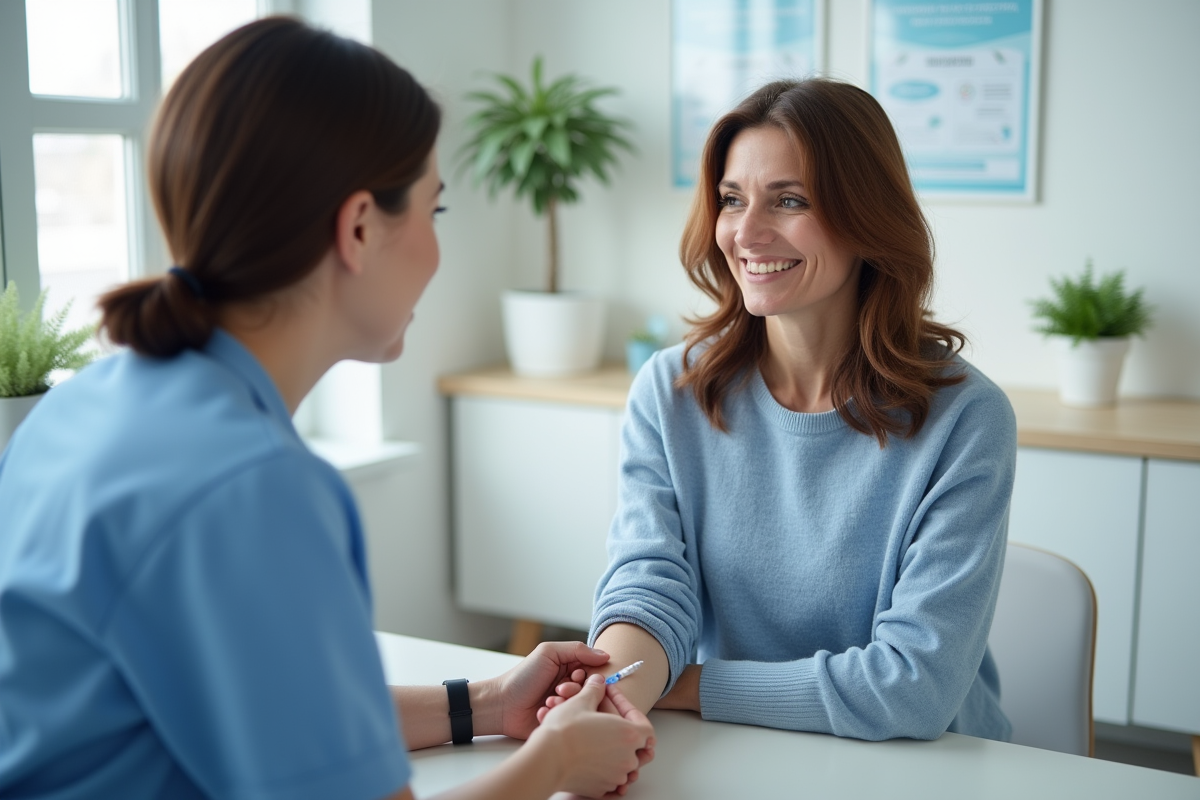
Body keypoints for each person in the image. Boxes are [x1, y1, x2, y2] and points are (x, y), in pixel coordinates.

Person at [0, 17, 652, 800]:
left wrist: (483, 703)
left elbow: (271, 706)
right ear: (358, 227)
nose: (438, 252)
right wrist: (555, 763)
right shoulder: (252, 487)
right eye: (434, 212)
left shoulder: (90, 406)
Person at [541, 78, 1016, 743]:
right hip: (744, 745)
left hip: (922, 764)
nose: (747, 232)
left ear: (867, 218)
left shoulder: (966, 418)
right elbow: (649, 590)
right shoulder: (669, 390)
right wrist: (605, 696)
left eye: (789, 200)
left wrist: (688, 686)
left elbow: (914, 688)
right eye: (732, 200)